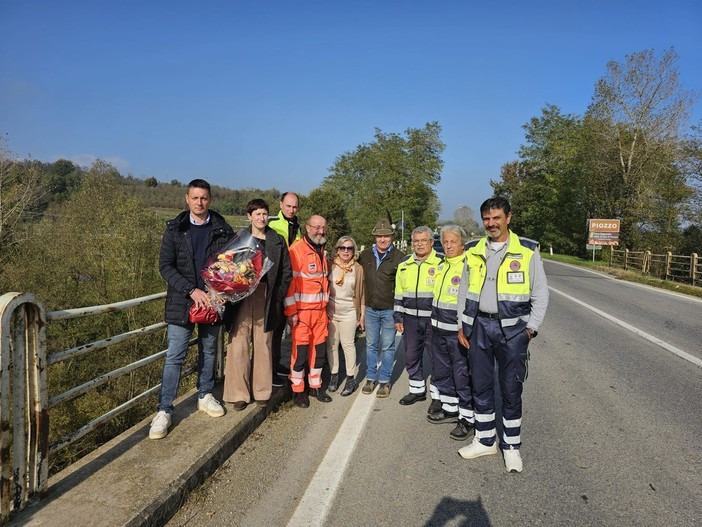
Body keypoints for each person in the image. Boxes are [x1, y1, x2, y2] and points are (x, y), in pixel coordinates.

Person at [457, 197, 549, 473]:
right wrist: (463, 323)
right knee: (481, 386)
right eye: (487, 219)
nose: (491, 223)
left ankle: (511, 446)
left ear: (508, 218)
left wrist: (531, 328)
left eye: (496, 218)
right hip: (479, 328)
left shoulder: (528, 250)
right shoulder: (474, 249)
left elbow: (540, 293)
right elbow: (463, 289)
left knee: (511, 388)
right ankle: (485, 440)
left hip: (513, 331)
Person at [149, 179, 235, 440]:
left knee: (209, 350)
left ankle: (205, 395)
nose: (200, 202)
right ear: (187, 199)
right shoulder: (175, 229)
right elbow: (165, 266)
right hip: (182, 302)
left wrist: (218, 290)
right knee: (175, 355)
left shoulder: (222, 228)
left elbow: (231, 264)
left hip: (213, 301)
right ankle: (164, 410)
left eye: (204, 198)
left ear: (210, 199)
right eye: (195, 198)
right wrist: (191, 290)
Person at [223, 199, 292, 410]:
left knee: (263, 344)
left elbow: (286, 273)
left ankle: (262, 391)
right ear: (249, 216)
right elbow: (226, 267)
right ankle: (238, 394)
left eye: (264, 214)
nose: (261, 218)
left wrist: (277, 297)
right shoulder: (239, 239)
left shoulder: (277, 240)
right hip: (241, 297)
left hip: (267, 295)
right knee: (239, 344)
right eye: (257, 214)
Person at [427, 225, 474, 441]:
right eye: (445, 242)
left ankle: (467, 418)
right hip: (437, 328)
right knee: (442, 371)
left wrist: (463, 328)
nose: (448, 246)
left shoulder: (466, 265)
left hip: (456, 332)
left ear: (462, 244)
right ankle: (450, 407)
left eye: (453, 242)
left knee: (461, 374)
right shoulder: (441, 265)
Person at [285, 215, 333, 407]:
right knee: (300, 352)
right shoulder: (296, 250)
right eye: (316, 227)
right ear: (307, 227)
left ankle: (316, 386)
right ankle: (298, 391)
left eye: (323, 227)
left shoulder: (321, 250)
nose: (320, 231)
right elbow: (290, 284)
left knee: (319, 351)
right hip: (302, 313)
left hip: (320, 313)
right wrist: (291, 312)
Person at [393, 226, 442, 411]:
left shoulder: (441, 263)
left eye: (423, 240)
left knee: (436, 358)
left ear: (431, 242)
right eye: (416, 241)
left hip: (433, 320)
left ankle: (438, 396)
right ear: (412, 243)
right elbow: (399, 292)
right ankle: (417, 390)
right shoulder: (405, 264)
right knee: (411, 356)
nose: (420, 244)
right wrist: (398, 316)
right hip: (410, 319)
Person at [358, 218, 405, 398]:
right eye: (379, 236)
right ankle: (371, 378)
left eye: (386, 236)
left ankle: (384, 381)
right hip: (370, 308)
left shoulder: (400, 257)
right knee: (370, 345)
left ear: (392, 237)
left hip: (389, 309)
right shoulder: (365, 255)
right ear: (375, 237)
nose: (383, 239)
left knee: (387, 346)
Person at [268, 192, 301, 387]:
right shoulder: (272, 226)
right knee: (272, 329)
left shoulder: (297, 228)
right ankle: (269, 370)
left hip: (290, 283)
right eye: (288, 206)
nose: (291, 210)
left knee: (280, 327)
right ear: (280, 205)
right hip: (276, 284)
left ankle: (277, 362)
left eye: (294, 207)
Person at [326, 236, 365, 396]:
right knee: (332, 344)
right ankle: (334, 375)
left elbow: (362, 293)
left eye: (349, 248)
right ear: (337, 250)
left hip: (349, 311)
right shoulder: (330, 265)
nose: (346, 251)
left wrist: (361, 315)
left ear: (353, 251)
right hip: (331, 311)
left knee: (348, 344)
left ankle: (350, 378)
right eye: (343, 248)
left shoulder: (358, 268)